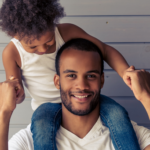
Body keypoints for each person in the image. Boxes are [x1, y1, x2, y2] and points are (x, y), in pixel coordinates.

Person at [0, 0, 140, 149]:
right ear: (15, 34)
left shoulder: (66, 32)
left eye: (49, 42)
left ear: (53, 24)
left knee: (118, 114)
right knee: (41, 126)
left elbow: (104, 50)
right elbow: (18, 94)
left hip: (83, 98)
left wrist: (125, 71)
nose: (42, 49)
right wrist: (16, 93)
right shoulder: (11, 53)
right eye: (33, 46)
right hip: (46, 105)